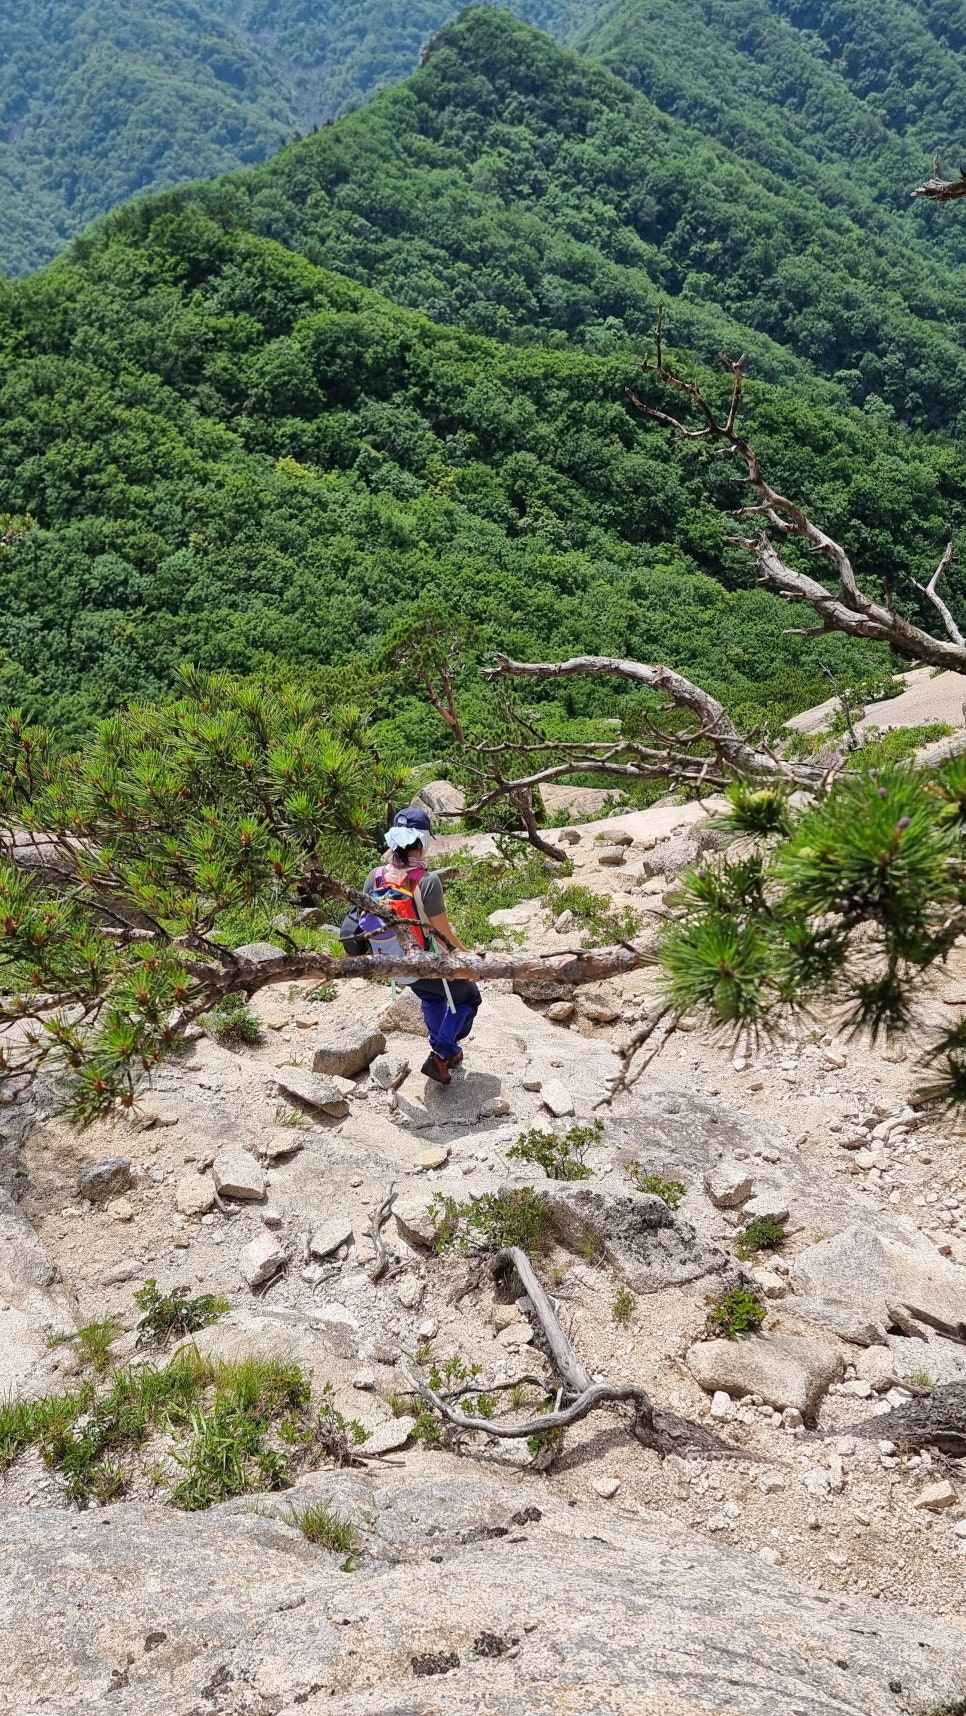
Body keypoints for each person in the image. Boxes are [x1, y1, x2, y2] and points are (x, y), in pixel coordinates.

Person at [357, 807, 481, 1085]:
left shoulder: (375, 876)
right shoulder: (426, 881)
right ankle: (441, 1054)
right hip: (423, 961)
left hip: (391, 964)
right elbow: (442, 932)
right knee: (468, 998)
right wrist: (467, 959)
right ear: (422, 841)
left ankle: (450, 1051)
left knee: (433, 997)